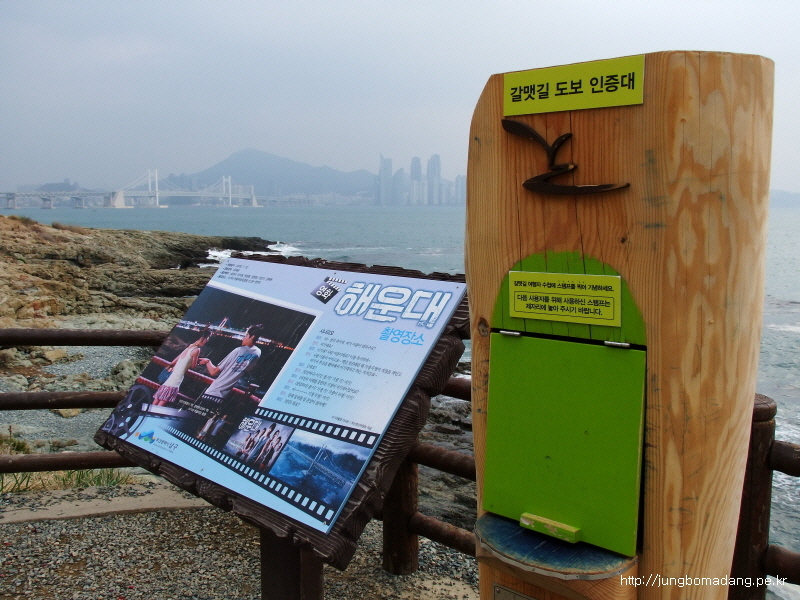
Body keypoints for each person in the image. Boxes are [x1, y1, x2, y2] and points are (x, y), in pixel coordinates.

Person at [197, 324, 264, 411]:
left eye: (246, 336)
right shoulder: (257, 353)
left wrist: (207, 361)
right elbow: (247, 370)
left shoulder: (238, 350)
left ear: (252, 337)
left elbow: (213, 372)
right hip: (223, 397)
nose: (243, 338)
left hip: (212, 394)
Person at [152, 327, 211, 407]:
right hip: (178, 377)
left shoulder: (190, 346)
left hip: (173, 374)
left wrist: (171, 365)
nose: (207, 341)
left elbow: (177, 359)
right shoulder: (197, 350)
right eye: (207, 338)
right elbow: (193, 365)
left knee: (159, 397)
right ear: (203, 339)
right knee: (164, 399)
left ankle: (147, 412)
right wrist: (201, 362)